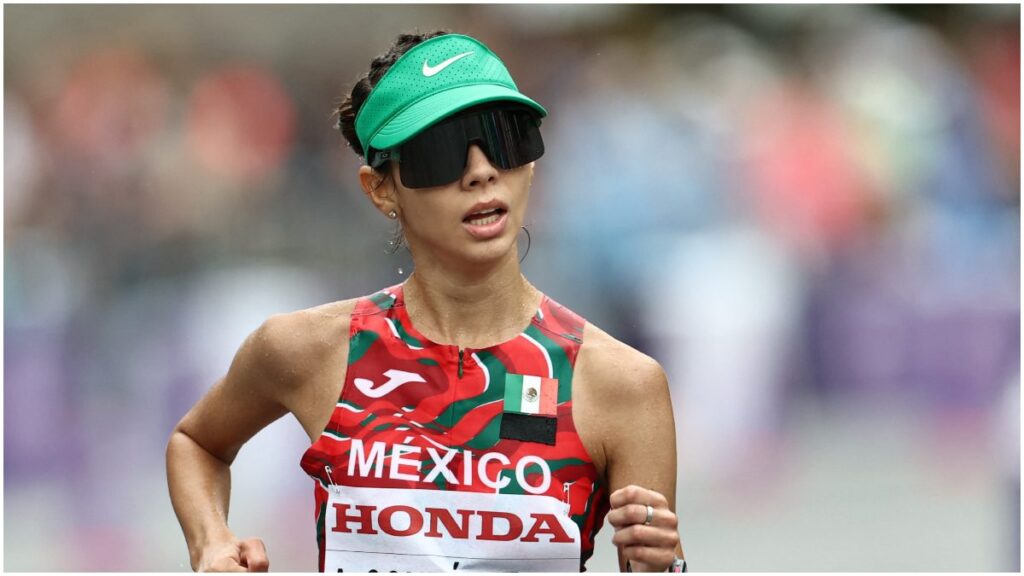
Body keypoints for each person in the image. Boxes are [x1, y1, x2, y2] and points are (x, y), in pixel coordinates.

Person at [167, 30, 685, 573]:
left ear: (531, 164)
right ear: (380, 189)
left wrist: (660, 566)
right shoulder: (306, 350)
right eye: (442, 151)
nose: (482, 170)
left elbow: (656, 562)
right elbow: (195, 443)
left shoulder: (622, 384)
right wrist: (211, 543)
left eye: (506, 139)